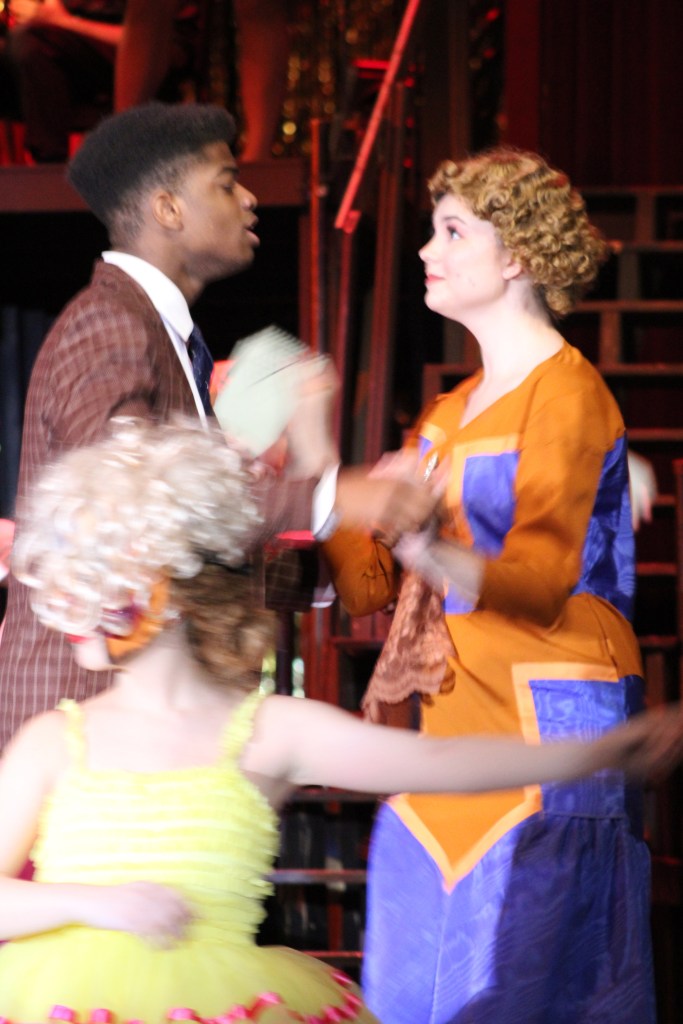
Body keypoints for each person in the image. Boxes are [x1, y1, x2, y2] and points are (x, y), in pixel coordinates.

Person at [0, 416, 680, 1023]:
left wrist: (601, 752)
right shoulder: (54, 742)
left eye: (93, 578)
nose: (68, 608)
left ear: (169, 585)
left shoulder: (270, 731)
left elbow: (439, 763)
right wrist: (95, 904)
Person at [322, 148, 659, 1023]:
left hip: (550, 721)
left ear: (517, 256)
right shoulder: (446, 412)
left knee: (527, 990)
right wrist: (330, 485)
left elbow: (540, 583)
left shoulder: (568, 394)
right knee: (415, 987)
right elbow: (368, 592)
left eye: (452, 231)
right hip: (452, 721)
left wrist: (423, 541)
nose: (426, 250)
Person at [0, 101, 437, 753]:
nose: (250, 199)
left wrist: (325, 567)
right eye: (228, 183)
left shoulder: (154, 331)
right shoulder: (109, 323)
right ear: (168, 209)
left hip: (142, 725)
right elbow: (135, 500)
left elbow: (181, 553)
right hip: (84, 728)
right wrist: (332, 494)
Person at [2, 0, 289, 163]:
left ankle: (258, 156)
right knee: (148, 6)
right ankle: (121, 146)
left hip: (160, 51)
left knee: (258, 5)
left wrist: (64, 21)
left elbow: (179, 46)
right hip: (86, 47)